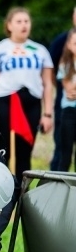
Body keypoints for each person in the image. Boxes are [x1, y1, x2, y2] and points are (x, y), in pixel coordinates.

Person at [0, 7, 54, 180]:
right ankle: (3, 192)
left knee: (25, 151)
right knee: (3, 150)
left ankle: (23, 196)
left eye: (26, 21)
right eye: (19, 21)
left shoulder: (39, 50)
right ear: (9, 25)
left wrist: (48, 114)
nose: (24, 25)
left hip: (31, 102)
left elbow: (47, 83)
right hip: (6, 102)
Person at [48, 6, 76, 170]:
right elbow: (51, 70)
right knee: (62, 150)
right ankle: (56, 185)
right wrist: (64, 88)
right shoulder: (61, 41)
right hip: (66, 107)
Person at [54, 28, 76, 171]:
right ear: (68, 45)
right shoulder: (65, 65)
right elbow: (70, 91)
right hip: (69, 112)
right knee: (65, 153)